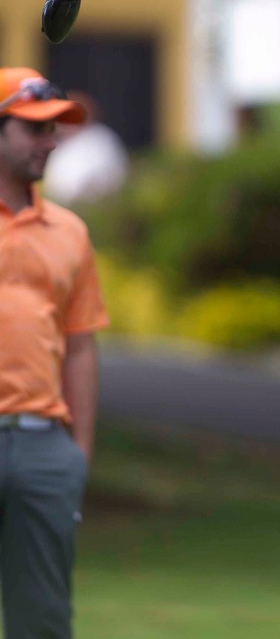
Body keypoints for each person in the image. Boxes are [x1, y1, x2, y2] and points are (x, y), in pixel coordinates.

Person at [0, 67, 109, 639]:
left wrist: (78, 458)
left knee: (41, 620)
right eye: (34, 129)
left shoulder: (70, 232)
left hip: (44, 446)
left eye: (55, 130)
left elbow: (79, 349)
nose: (50, 142)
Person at [41, 91, 129, 206]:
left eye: (70, 116)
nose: (62, 124)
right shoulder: (57, 144)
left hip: (93, 210)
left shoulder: (100, 141)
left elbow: (105, 181)